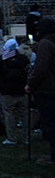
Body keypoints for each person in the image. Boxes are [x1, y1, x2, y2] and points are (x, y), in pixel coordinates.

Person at [26, 17, 55, 166]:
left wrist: (31, 82)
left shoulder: (45, 44)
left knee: (50, 123)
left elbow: (41, 68)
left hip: (48, 90)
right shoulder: (50, 43)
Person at [0, 39, 29, 145]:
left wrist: (0, 88)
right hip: (22, 91)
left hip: (7, 92)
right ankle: (26, 138)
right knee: (25, 116)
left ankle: (11, 138)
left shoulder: (3, 59)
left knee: (9, 115)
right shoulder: (23, 59)